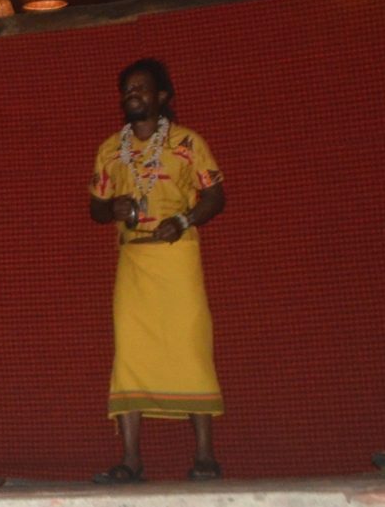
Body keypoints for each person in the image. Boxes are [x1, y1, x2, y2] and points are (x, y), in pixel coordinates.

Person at [87, 58, 225, 484]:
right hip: (134, 260)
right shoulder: (111, 148)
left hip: (177, 256)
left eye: (141, 88)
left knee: (190, 348)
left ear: (162, 96)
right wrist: (111, 208)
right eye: (127, 89)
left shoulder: (187, 143)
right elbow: (95, 206)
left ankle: (204, 455)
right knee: (129, 354)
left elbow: (215, 196)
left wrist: (183, 220)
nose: (132, 94)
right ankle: (131, 460)